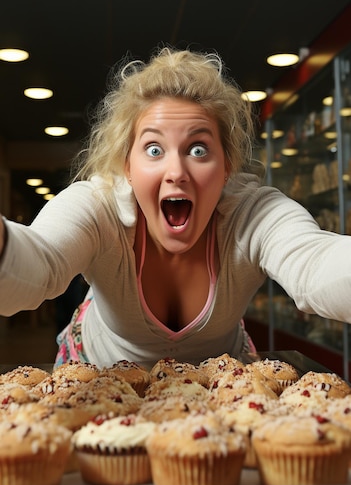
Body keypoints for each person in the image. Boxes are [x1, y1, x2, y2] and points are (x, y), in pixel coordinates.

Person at [0, 46, 351, 370]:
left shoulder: (254, 214)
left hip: (216, 389)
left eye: (198, 149)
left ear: (227, 166)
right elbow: (38, 267)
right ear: (127, 166)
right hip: (101, 380)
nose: (176, 173)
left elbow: (315, 267)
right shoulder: (96, 206)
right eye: (154, 149)